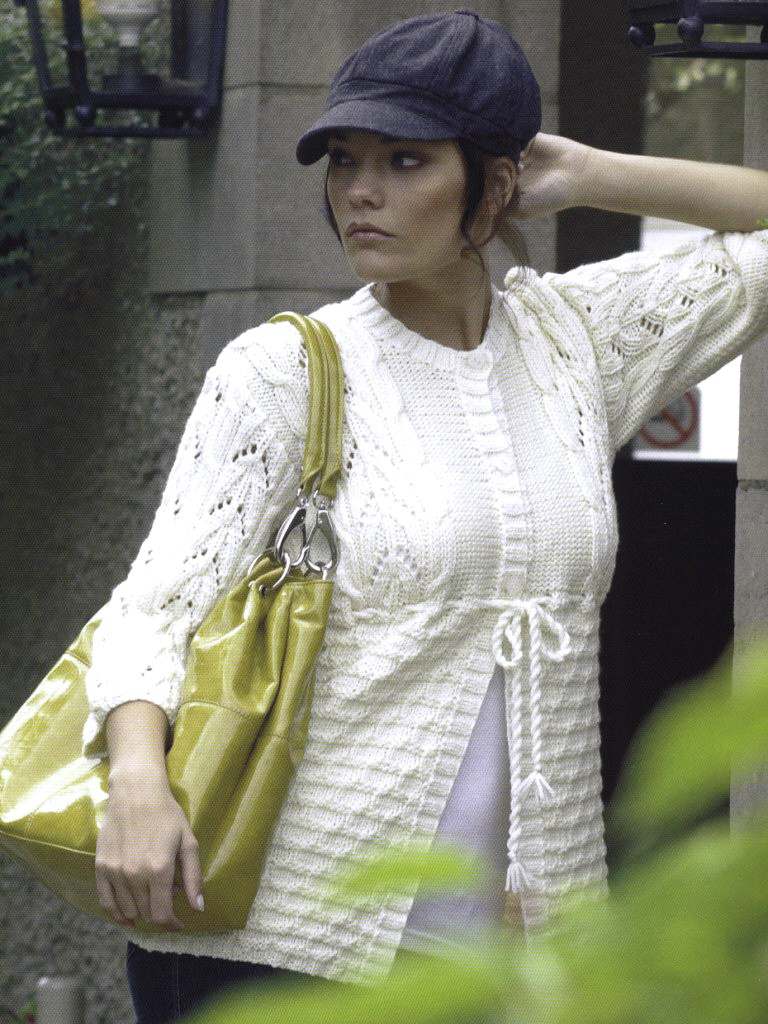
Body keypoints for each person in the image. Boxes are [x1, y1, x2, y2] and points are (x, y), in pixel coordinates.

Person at [81, 7, 768, 1022]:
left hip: (523, 949)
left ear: (497, 182)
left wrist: (592, 173)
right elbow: (155, 607)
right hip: (286, 932)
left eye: (406, 161)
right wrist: (139, 783)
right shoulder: (282, 370)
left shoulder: (575, 344)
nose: (361, 192)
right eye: (345, 161)